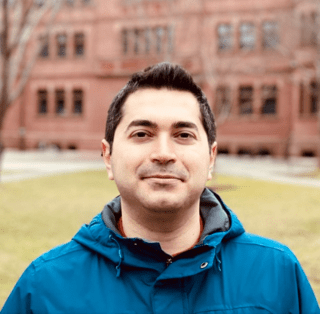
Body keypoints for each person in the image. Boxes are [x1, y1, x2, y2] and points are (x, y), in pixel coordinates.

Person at [1, 62, 319, 314]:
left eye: (183, 135)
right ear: (108, 157)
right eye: (142, 134)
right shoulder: (44, 287)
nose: (164, 153)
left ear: (210, 158)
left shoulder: (276, 274)